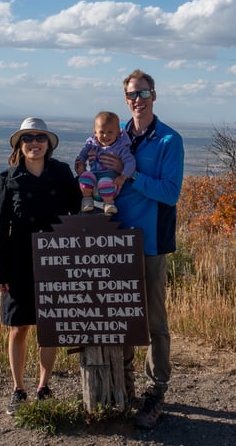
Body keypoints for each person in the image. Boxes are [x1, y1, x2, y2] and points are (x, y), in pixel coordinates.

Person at [96, 69, 184, 429]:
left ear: (154, 95)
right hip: (117, 240)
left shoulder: (168, 140)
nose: (138, 99)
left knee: (154, 320)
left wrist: (130, 175)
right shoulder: (118, 136)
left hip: (150, 241)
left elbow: (170, 192)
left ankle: (156, 389)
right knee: (122, 314)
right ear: (126, 99)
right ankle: (126, 383)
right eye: (132, 94)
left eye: (144, 93)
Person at [0, 117, 82, 415]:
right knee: (18, 327)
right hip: (18, 260)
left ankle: (44, 386)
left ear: (48, 143)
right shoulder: (9, 178)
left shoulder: (61, 173)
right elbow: (0, 227)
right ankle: (18, 389)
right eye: (28, 138)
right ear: (20, 144)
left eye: (39, 137)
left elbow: (77, 211)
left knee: (50, 325)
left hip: (55, 258)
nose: (34, 143)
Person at [74, 110, 136, 215]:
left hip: (111, 186)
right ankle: (87, 200)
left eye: (110, 132)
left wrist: (123, 177)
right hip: (94, 185)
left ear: (118, 132)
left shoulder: (120, 148)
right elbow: (82, 154)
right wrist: (80, 164)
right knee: (85, 177)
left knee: (105, 181)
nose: (105, 136)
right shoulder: (92, 145)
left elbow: (130, 162)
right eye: (102, 132)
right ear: (95, 132)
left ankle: (108, 204)